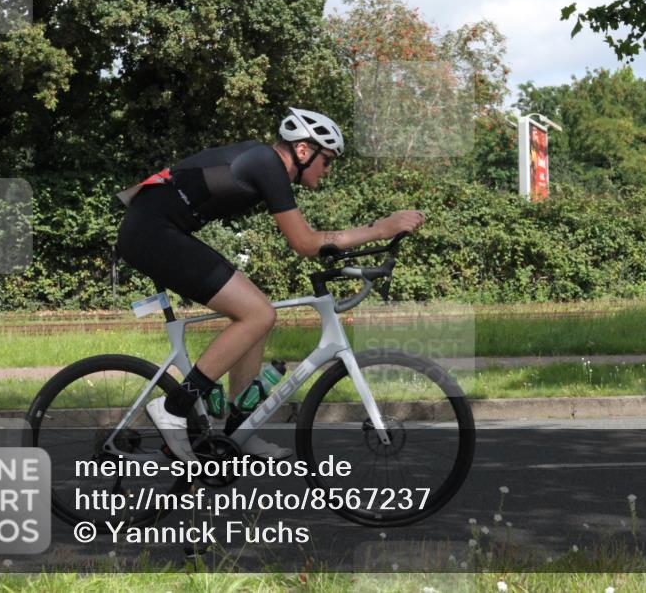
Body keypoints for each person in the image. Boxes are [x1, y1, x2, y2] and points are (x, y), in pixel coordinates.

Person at [115, 108, 424, 461]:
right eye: (327, 160)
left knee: (256, 314)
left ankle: (237, 431)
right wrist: (379, 228)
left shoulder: (263, 163)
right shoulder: (266, 162)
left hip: (157, 230)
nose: (328, 170)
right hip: (152, 234)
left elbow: (312, 242)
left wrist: (365, 239)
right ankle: (174, 407)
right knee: (258, 314)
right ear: (304, 151)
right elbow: (305, 243)